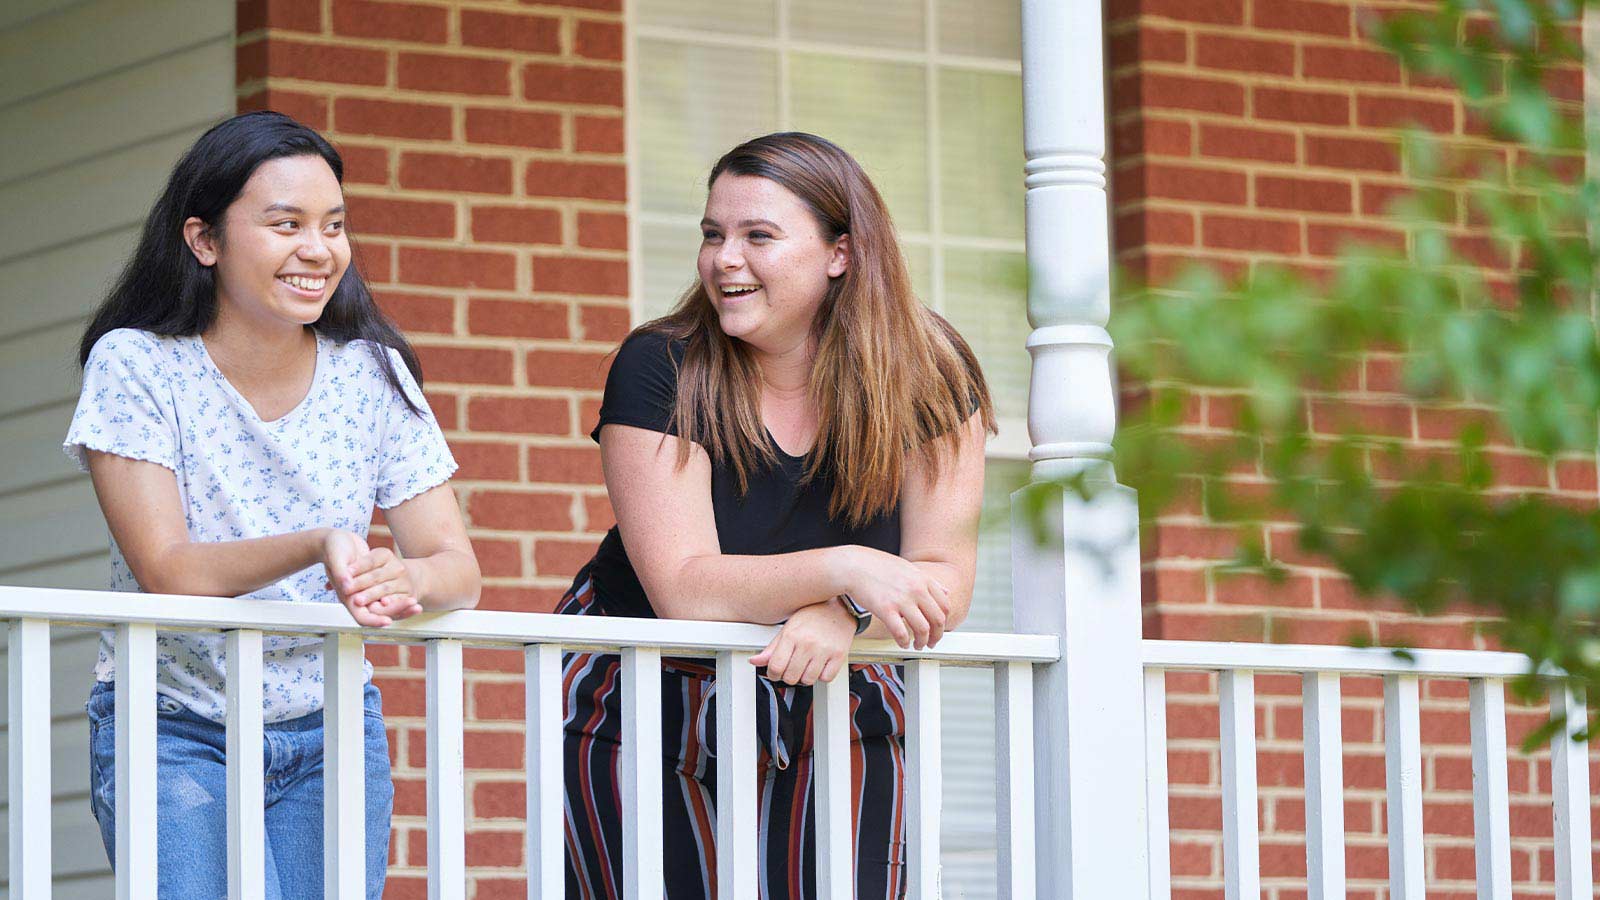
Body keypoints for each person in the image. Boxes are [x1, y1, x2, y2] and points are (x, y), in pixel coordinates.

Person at [562, 132, 995, 899]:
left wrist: (846, 612)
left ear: (841, 254)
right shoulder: (662, 364)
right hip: (646, 688)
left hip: (834, 680)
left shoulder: (930, 373)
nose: (725, 258)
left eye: (758, 235)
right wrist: (843, 568)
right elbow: (685, 592)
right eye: (713, 234)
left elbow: (943, 581)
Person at [63, 111, 481, 899]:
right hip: (175, 725)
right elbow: (170, 569)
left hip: (330, 731)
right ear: (204, 240)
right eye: (285, 224)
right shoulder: (138, 365)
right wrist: (318, 542)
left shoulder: (374, 374)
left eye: (334, 225)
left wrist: (407, 581)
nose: (318, 250)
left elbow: (456, 568)